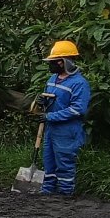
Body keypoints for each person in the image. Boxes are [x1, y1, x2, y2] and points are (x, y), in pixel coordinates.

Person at [38, 40, 91, 197]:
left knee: (64, 163)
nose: (50, 65)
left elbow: (77, 109)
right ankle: (47, 193)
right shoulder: (52, 80)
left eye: (53, 62)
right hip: (51, 129)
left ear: (62, 62)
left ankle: (65, 195)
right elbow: (51, 100)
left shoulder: (80, 84)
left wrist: (50, 116)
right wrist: (43, 102)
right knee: (49, 162)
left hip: (67, 131)